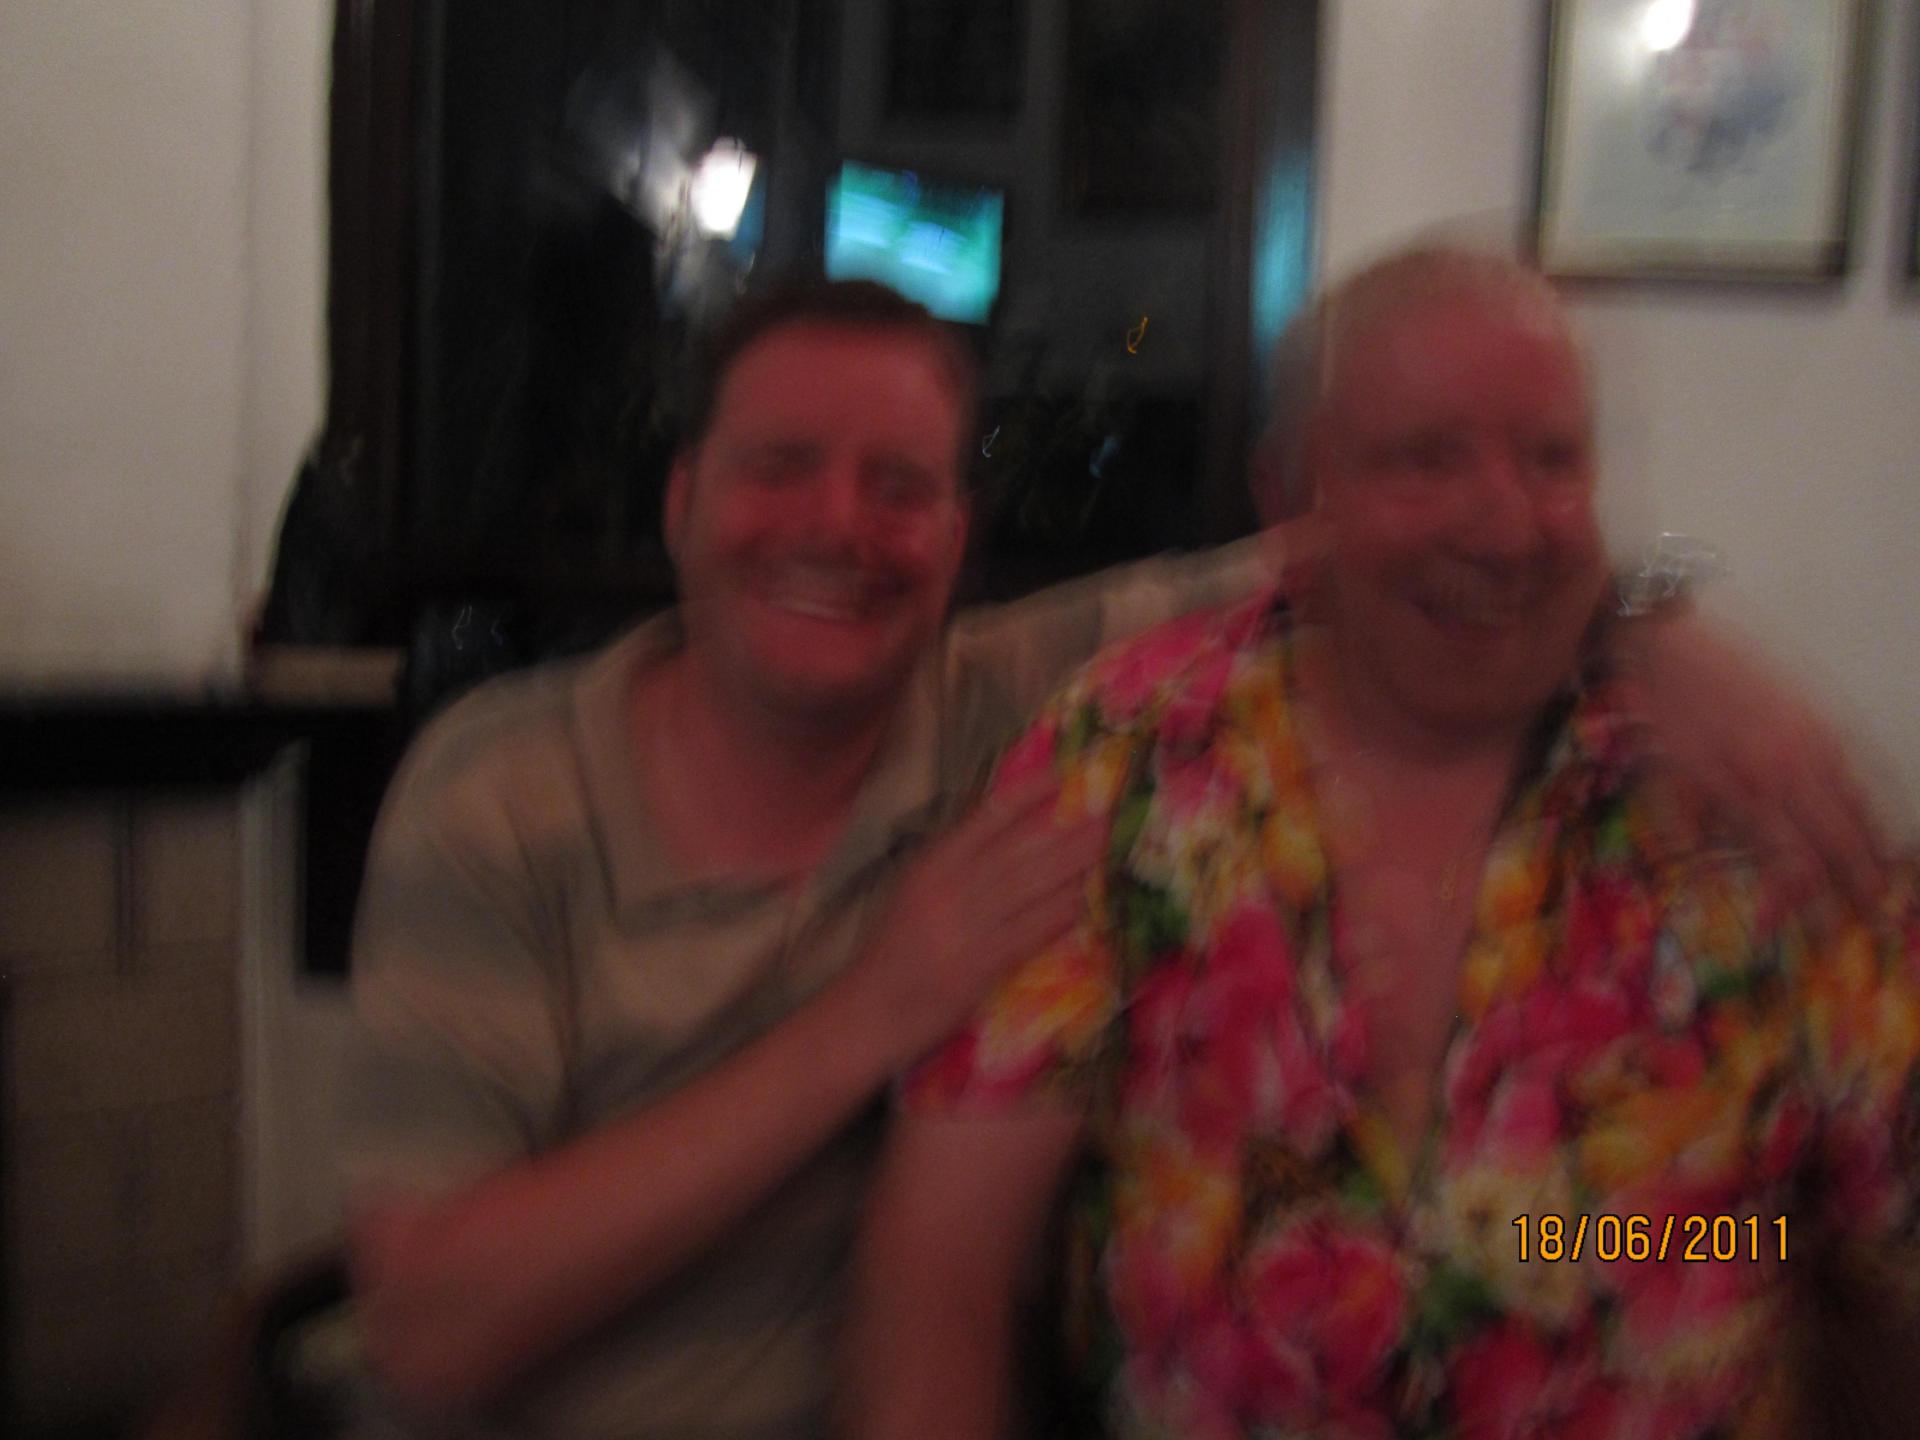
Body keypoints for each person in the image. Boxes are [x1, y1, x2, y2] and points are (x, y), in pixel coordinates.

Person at [340, 276, 1888, 1440]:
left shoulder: (1037, 708)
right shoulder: (506, 796)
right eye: (779, 466)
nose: (838, 528)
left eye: (901, 487)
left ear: (957, 536)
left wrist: (1657, 612)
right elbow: (423, 1330)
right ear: (682, 499)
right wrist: (869, 1012)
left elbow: (1424, 545)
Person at [845, 250, 1920, 1440]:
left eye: (1551, 459)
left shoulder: (1739, 785)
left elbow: (1866, 1257)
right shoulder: (1134, 753)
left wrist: (1660, 1239)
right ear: (1287, 498)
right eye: (1425, 459)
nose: (1505, 525)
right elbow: (943, 1263)